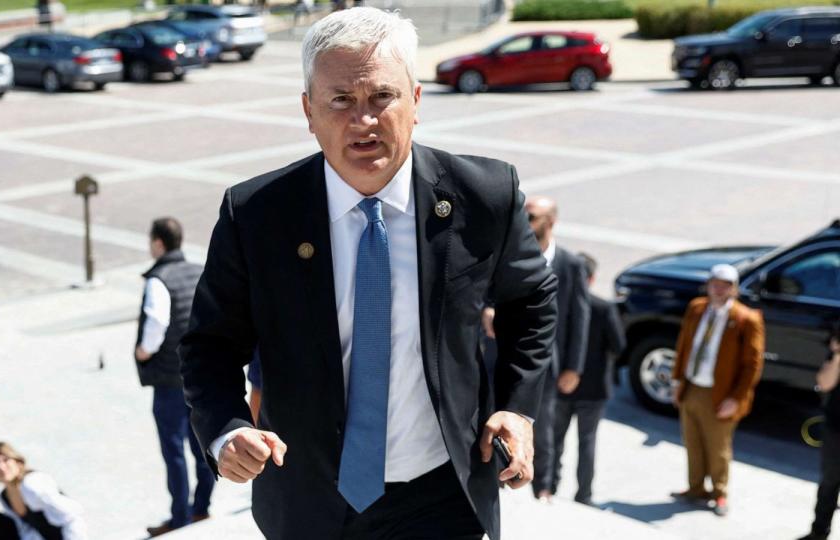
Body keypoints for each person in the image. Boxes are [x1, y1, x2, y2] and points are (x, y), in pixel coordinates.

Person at [179, 7, 558, 540]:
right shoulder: (256, 214)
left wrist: (518, 409)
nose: (364, 120)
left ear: (416, 101)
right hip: (308, 499)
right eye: (340, 101)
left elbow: (531, 301)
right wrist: (226, 430)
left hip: (442, 495)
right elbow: (209, 345)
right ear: (309, 112)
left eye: (383, 96)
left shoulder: (484, 195)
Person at [481, 195, 590, 502]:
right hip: (497, 356)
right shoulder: (508, 254)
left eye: (532, 218)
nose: (525, 224)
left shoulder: (570, 264)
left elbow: (580, 317)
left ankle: (544, 487)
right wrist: (486, 310)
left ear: (551, 222)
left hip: (547, 365)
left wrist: (573, 367)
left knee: (544, 430)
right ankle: (497, 478)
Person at [135, 217, 214, 537]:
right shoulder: (198, 270)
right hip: (199, 375)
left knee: (174, 452)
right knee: (202, 446)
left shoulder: (158, 279)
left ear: (158, 243)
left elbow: (155, 322)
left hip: (169, 379)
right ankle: (202, 507)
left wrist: (143, 351)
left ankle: (180, 516)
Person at [670, 263, 764, 517]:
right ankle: (695, 487)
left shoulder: (745, 319)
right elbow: (684, 345)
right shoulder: (697, 308)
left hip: (721, 393)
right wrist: (677, 380)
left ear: (734, 289)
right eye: (715, 284)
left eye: (726, 286)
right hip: (693, 386)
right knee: (693, 442)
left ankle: (719, 492)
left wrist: (736, 398)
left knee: (717, 446)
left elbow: (752, 365)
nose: (719, 290)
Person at [550, 252, 625, 506]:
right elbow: (619, 345)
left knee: (555, 440)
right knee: (587, 443)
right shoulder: (604, 308)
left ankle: (548, 487)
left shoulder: (557, 304)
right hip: (593, 390)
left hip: (562, 386)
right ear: (591, 279)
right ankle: (584, 495)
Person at [0, 441, 87, 540]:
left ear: (17, 462)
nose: (1, 467)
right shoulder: (4, 497)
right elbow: (25, 530)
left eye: (6, 460)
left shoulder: (32, 483)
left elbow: (73, 516)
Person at [798, 325, 840, 540]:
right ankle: (819, 532)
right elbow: (824, 383)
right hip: (836, 426)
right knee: (830, 482)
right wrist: (838, 355)